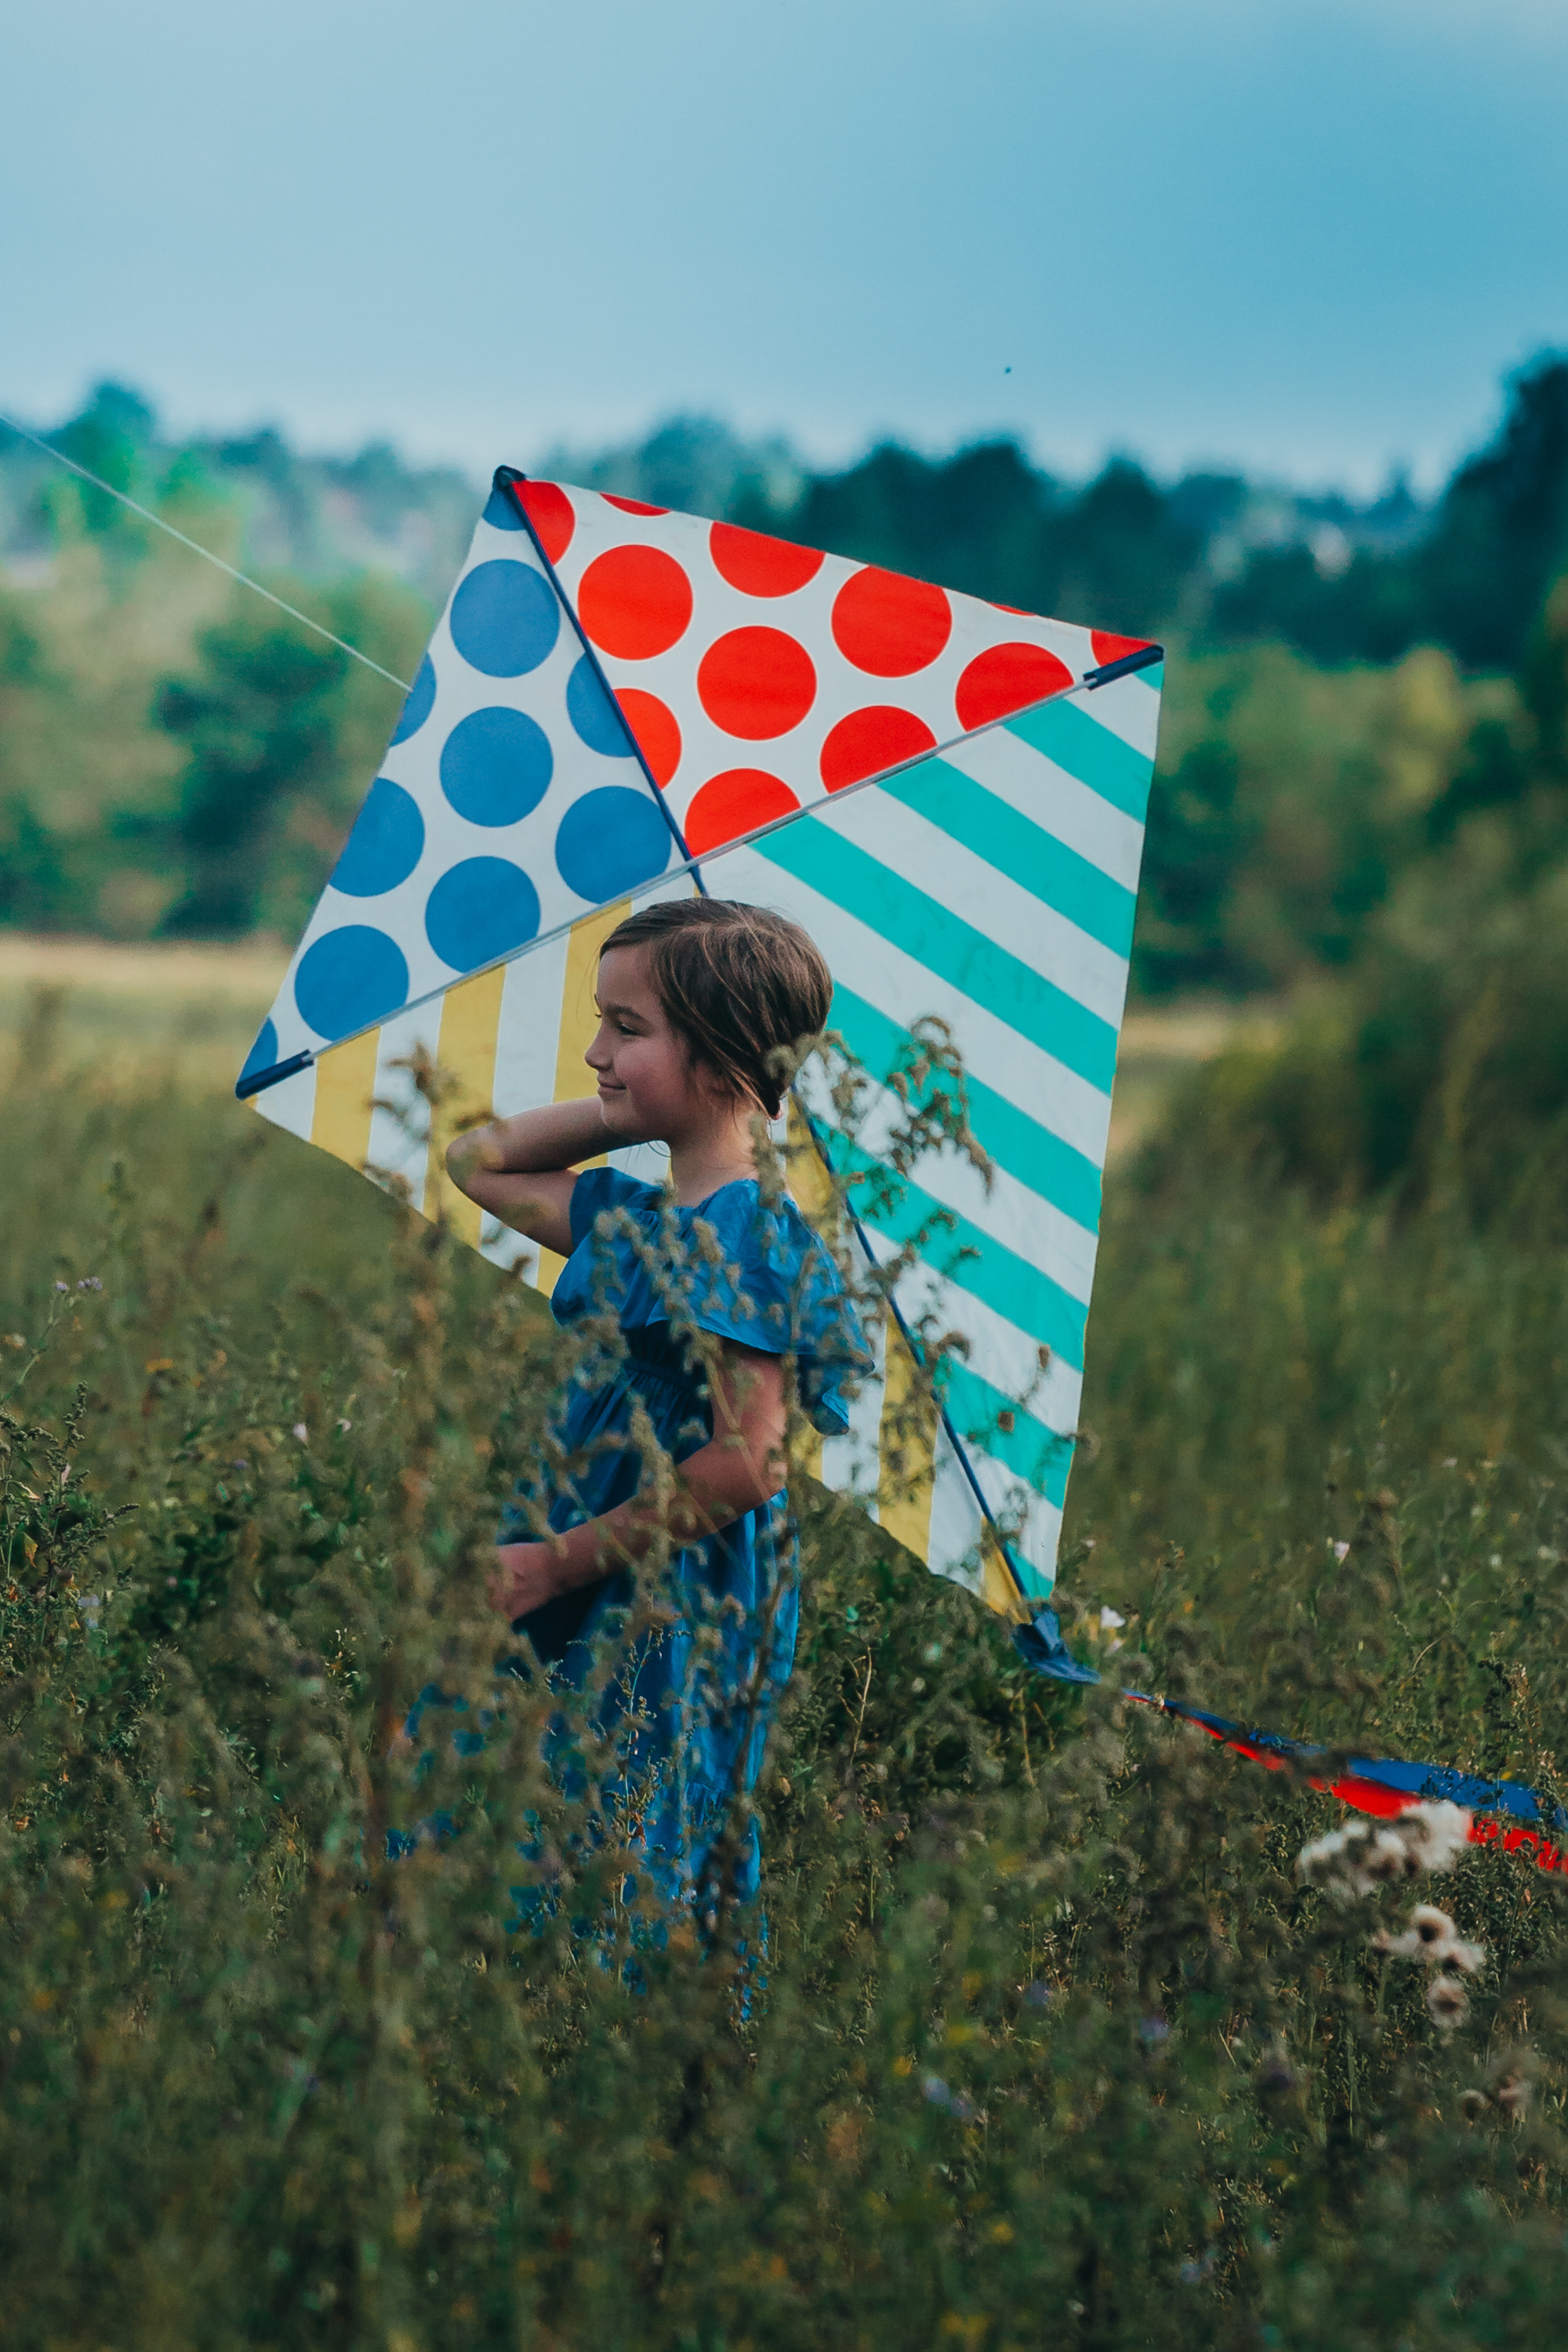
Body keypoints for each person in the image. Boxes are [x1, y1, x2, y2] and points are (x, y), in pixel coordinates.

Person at [445, 898, 870, 1913]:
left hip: (663, 1583)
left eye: (626, 1030)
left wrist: (554, 1564)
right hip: (578, 1542)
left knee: (633, 1808)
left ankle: (634, 2030)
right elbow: (476, 1163)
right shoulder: (635, 1216)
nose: (594, 1051)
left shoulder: (746, 1236)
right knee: (532, 1784)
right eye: (602, 1023)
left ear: (727, 1062)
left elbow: (747, 1462)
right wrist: (631, 1099)